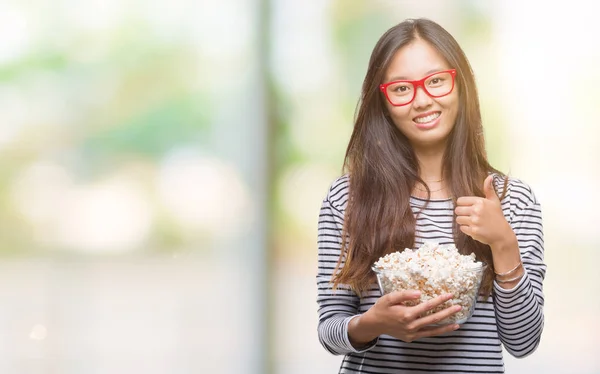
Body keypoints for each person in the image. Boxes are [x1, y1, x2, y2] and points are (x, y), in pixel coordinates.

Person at [316, 18, 546, 373]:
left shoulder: (510, 199)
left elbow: (523, 341)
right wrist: (373, 323)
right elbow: (330, 330)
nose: (422, 100)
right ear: (383, 101)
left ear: (461, 86)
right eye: (402, 88)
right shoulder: (348, 197)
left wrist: (503, 243)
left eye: (437, 81)